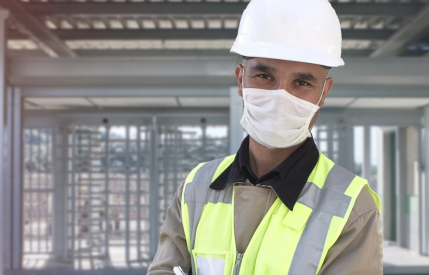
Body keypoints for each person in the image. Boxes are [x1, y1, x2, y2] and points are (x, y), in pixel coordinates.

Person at [147, 0, 382, 274]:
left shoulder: (352, 208)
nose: (280, 97)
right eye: (264, 76)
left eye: (302, 83)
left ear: (324, 93)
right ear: (240, 80)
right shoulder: (196, 188)